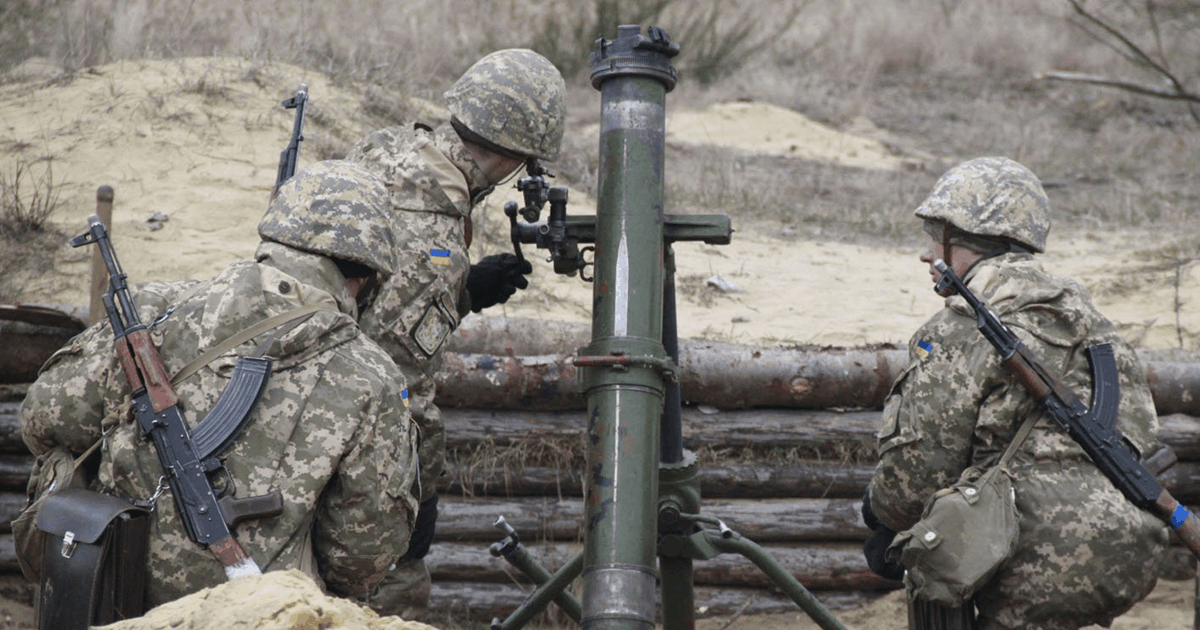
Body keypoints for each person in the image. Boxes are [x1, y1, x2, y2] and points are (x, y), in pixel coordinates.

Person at [19, 160, 421, 609]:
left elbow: (42, 420)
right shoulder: (373, 378)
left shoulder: (155, 309)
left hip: (107, 602)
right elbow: (361, 558)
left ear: (275, 235)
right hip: (260, 615)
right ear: (365, 277)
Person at [862, 156, 1168, 629]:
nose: (927, 254)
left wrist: (880, 515)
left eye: (935, 237)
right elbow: (1140, 439)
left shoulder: (958, 333)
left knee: (928, 558)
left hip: (1017, 565)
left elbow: (912, 486)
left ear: (966, 241)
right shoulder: (1095, 324)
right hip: (1127, 558)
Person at [344, 47, 566, 615]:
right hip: (356, 446)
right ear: (514, 152)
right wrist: (417, 486)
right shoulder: (431, 223)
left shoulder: (397, 150)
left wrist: (464, 289)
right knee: (385, 596)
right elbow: (391, 377)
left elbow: (370, 295)